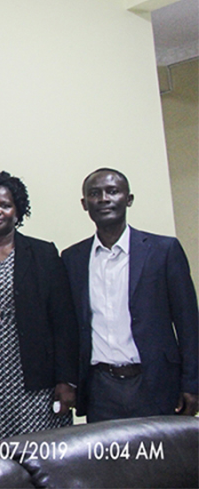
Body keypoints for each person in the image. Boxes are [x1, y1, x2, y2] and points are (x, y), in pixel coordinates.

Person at [61, 168, 198, 421]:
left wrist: (192, 383)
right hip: (100, 389)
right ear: (84, 204)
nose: (104, 199)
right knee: (109, 460)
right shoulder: (72, 259)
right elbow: (69, 328)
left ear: (129, 199)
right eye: (94, 193)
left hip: (155, 382)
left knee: (160, 459)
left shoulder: (163, 251)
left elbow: (188, 323)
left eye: (113, 191)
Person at [0, 171, 78, 443]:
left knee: (42, 456)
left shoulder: (43, 253)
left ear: (18, 210)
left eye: (4, 204)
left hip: (37, 378)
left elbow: (63, 322)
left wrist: (67, 380)